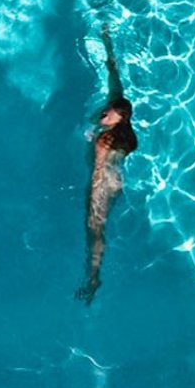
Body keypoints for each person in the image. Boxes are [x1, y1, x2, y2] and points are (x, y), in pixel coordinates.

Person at [77, 28, 138, 305]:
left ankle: (93, 277)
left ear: (119, 118)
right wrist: (106, 41)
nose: (105, 113)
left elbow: (99, 170)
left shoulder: (106, 140)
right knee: (95, 228)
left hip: (104, 181)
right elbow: (113, 74)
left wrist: (94, 194)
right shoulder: (115, 110)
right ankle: (93, 274)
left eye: (110, 113)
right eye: (108, 108)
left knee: (94, 228)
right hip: (114, 178)